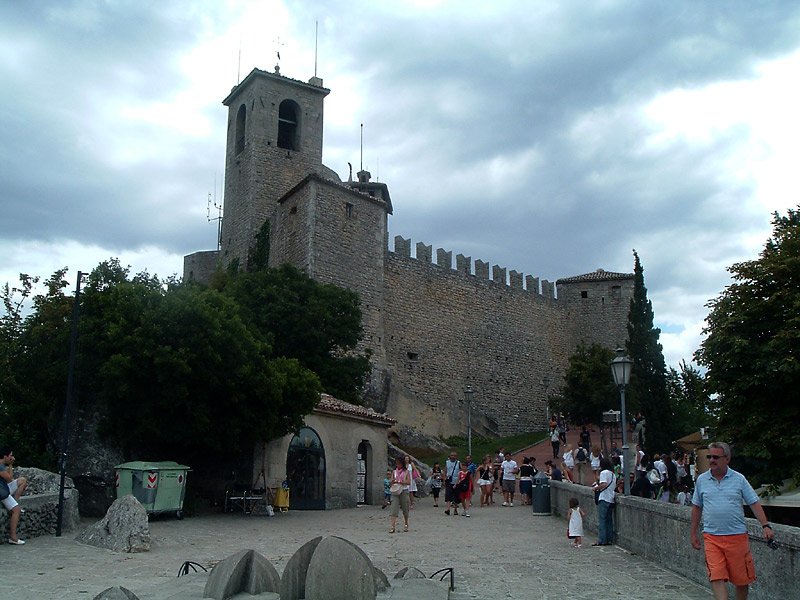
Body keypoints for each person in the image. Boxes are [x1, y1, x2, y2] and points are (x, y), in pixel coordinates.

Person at [690, 442, 774, 600]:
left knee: (741, 581)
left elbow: (754, 503)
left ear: (727, 459)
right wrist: (693, 533)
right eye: (710, 456)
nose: (711, 460)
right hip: (711, 537)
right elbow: (696, 507)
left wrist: (766, 526)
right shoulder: (702, 480)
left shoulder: (739, 479)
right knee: (716, 576)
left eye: (716, 457)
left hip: (737, 537)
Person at [0, 446, 28, 545]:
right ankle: (13, 537)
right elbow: (9, 479)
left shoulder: (2, 465)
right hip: (2, 492)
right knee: (16, 510)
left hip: (3, 488)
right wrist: (11, 465)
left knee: (22, 480)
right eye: (10, 455)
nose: (12, 457)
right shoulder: (0, 466)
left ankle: (14, 501)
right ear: (5, 456)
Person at [591, 457, 616, 546]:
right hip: (611, 498)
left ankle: (602, 540)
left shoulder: (604, 473)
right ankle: (609, 539)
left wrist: (595, 488)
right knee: (609, 520)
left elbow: (604, 484)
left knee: (602, 520)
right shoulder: (613, 474)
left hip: (604, 498)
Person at [389, 457, 411, 533]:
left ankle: (406, 523)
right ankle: (392, 526)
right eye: (397, 463)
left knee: (405, 508)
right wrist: (392, 481)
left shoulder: (406, 472)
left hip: (403, 490)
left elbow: (409, 482)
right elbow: (390, 482)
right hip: (395, 491)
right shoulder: (394, 471)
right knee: (393, 508)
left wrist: (402, 482)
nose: (398, 465)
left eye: (399, 463)